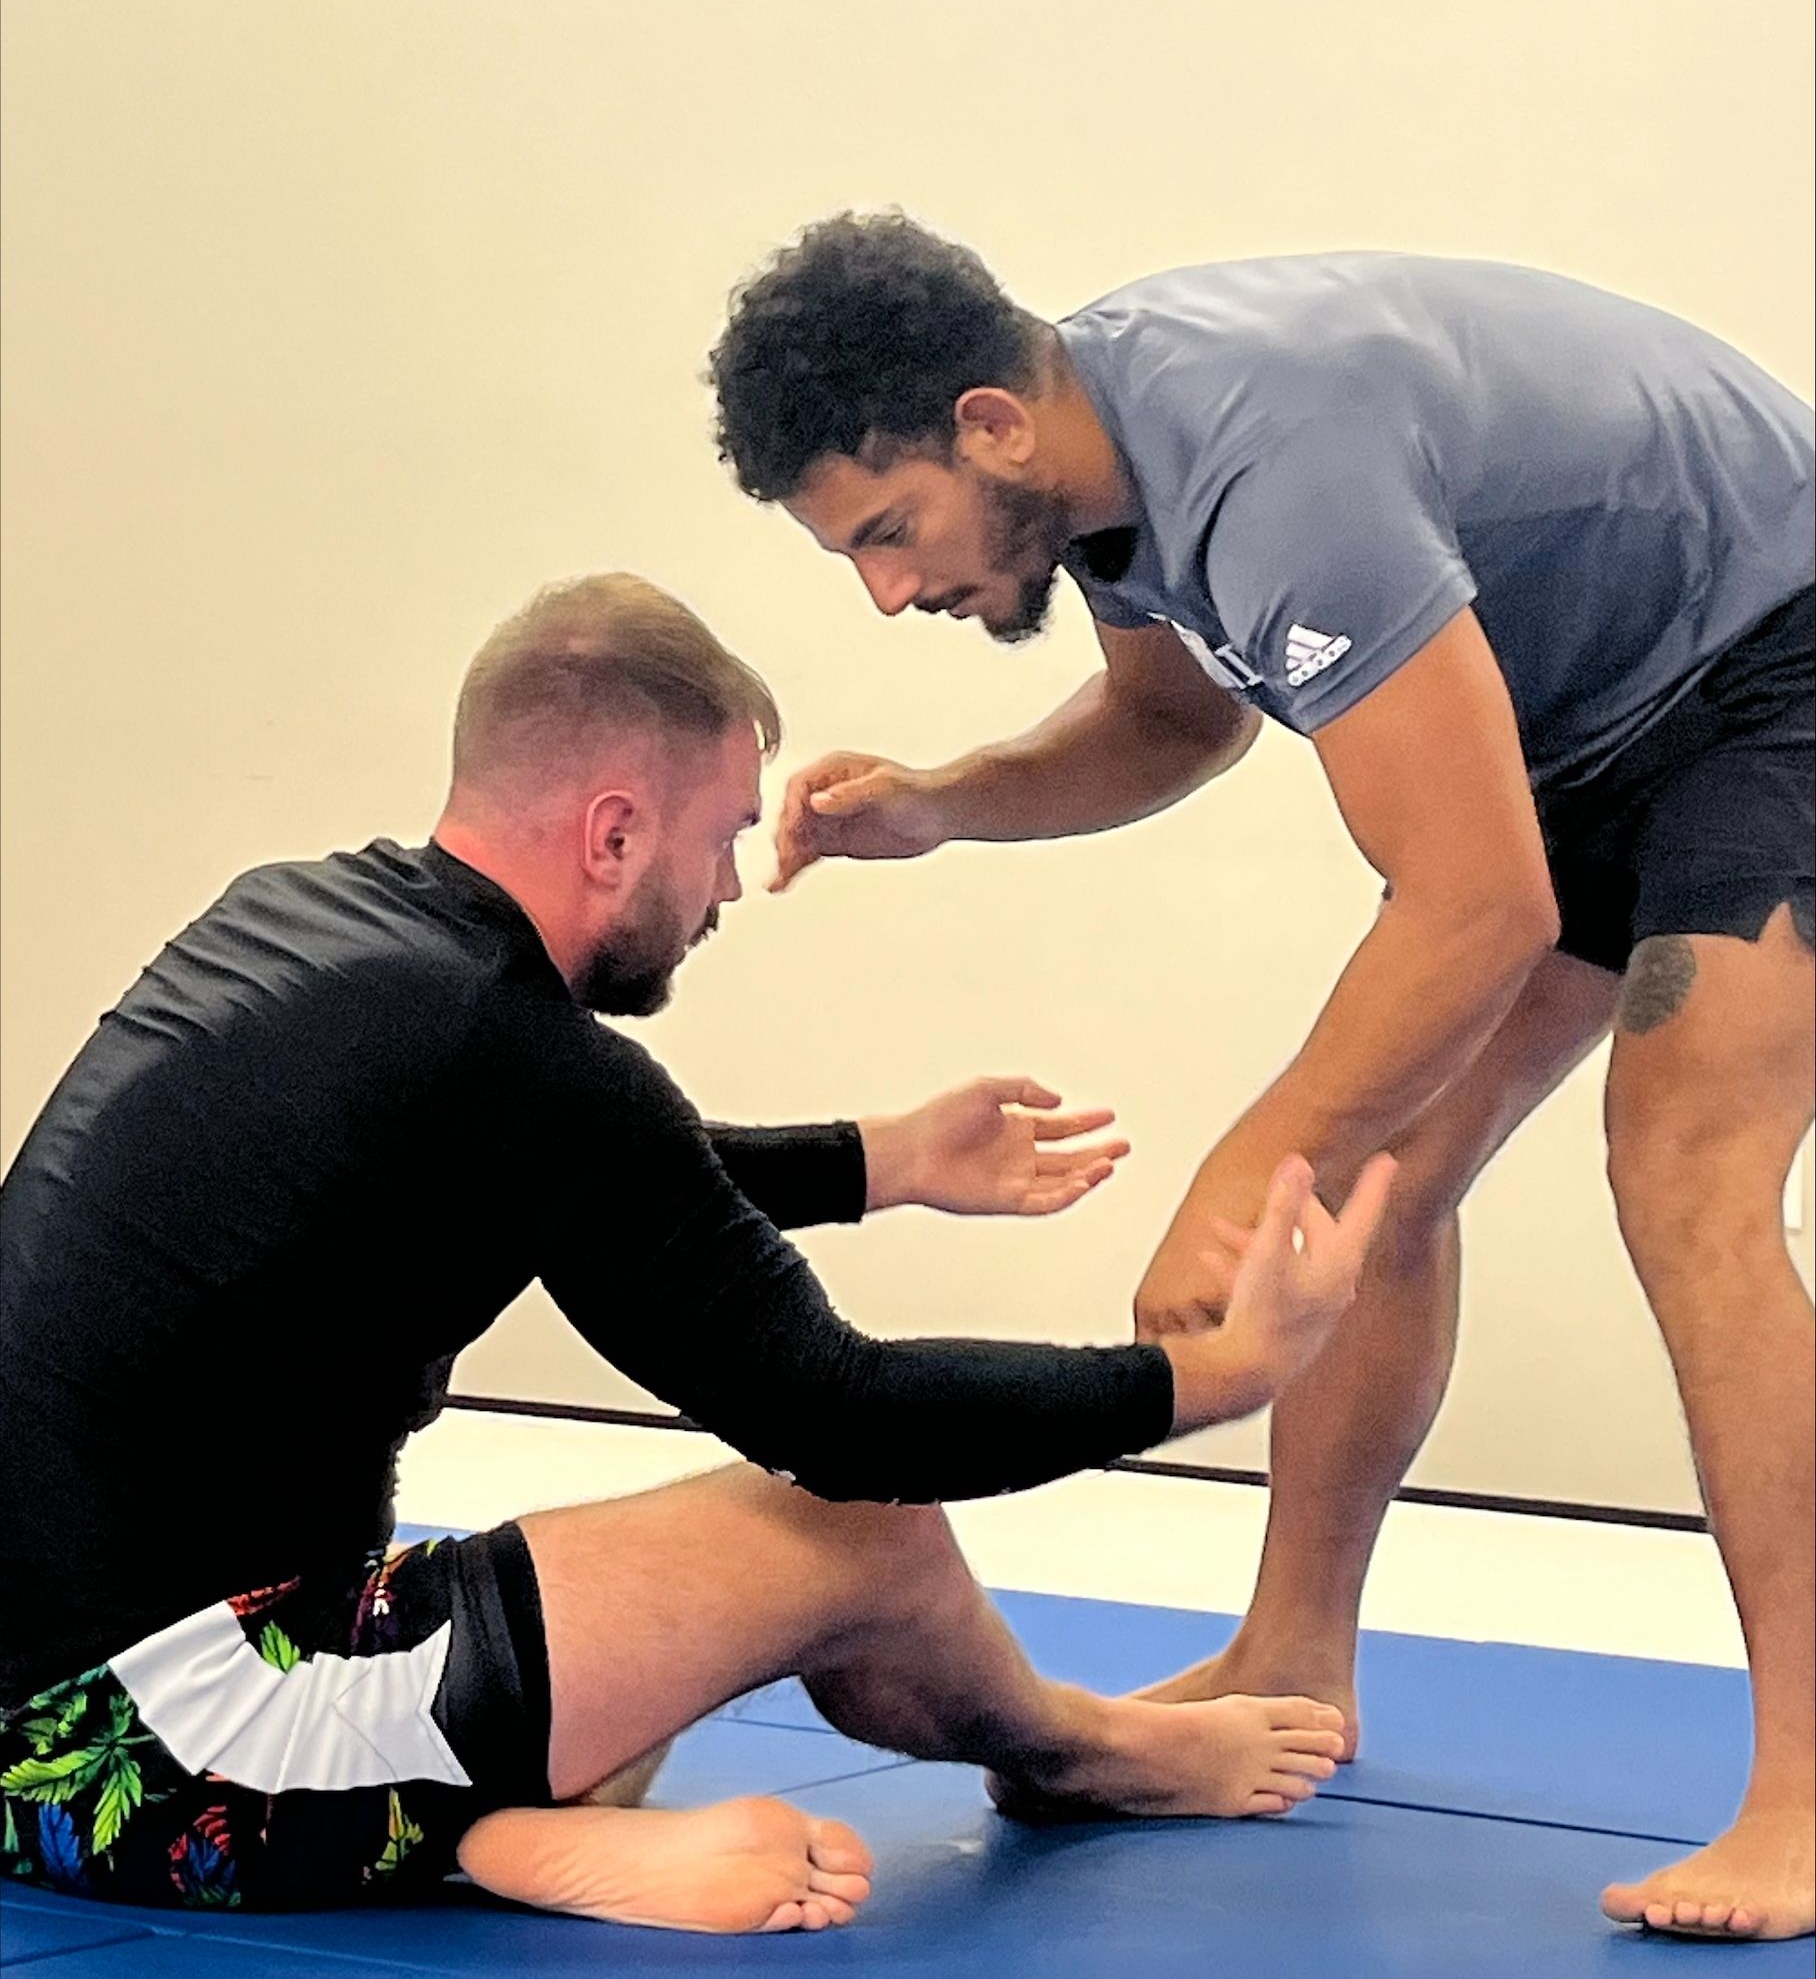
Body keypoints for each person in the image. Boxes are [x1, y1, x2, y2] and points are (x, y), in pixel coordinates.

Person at [708, 217, 1816, 1944]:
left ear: (990, 425)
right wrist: (946, 801)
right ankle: (1298, 1642)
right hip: (1607, 713)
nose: (889, 590)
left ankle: (1811, 1799)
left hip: (1785, 665)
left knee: (1683, 1172)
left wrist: (1237, 1171)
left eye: (887, 533)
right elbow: (1168, 725)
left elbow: (1477, 899)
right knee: (1376, 1173)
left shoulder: (1275, 462)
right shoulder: (1102, 451)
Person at [0, 570, 1387, 1937]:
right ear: (614, 834)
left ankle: (501, 1829)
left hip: (55, 1707)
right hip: (152, 1757)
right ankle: (1078, 1754)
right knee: (864, 1534)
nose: (729, 885)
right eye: (720, 836)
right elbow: (845, 1416)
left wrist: (878, 1160)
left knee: (675, 1603)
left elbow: (592, 1180)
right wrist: (1211, 1377)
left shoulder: (321, 923)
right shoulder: (516, 1059)